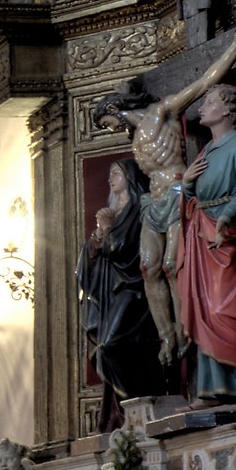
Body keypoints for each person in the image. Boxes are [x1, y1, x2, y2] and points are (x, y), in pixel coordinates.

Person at [92, 22, 236, 363]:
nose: (110, 130)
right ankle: (166, 336)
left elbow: (203, 82)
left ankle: (186, 331)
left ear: (112, 111)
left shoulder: (163, 111)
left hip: (179, 191)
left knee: (171, 264)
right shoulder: (135, 137)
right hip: (152, 201)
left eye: (105, 123)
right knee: (148, 266)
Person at [176, 78, 236, 399]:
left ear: (229, 109)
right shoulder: (207, 150)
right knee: (204, 309)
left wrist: (227, 217)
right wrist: (187, 183)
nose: (202, 108)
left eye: (210, 102)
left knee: (224, 309)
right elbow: (195, 197)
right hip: (204, 234)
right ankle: (214, 387)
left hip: (229, 236)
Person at [77, 155, 171, 403]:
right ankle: (131, 406)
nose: (110, 179)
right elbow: (92, 258)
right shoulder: (112, 212)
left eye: (116, 174)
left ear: (129, 178)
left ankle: (139, 398)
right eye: (109, 174)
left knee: (111, 346)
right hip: (110, 291)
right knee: (104, 350)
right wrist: (96, 240)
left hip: (132, 289)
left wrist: (107, 229)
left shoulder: (139, 209)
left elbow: (126, 249)